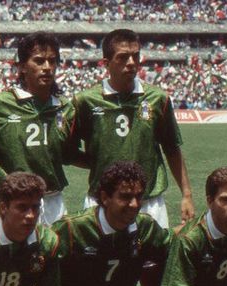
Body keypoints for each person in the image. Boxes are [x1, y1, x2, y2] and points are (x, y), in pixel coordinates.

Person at [71, 28, 194, 228]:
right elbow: (68, 150)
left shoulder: (158, 98)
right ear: (106, 63)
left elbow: (172, 148)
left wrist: (186, 195)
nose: (131, 62)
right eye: (122, 57)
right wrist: (98, 161)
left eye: (135, 56)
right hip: (102, 201)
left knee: (154, 250)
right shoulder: (85, 101)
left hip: (148, 202)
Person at [0, 33, 76, 225]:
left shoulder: (65, 108)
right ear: (22, 67)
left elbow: (67, 152)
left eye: (52, 61)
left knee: (55, 245)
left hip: (51, 200)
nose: (47, 67)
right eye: (39, 61)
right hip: (11, 200)